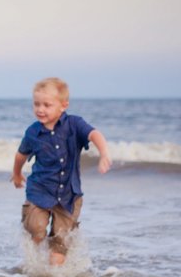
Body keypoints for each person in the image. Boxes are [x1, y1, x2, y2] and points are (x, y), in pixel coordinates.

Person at [11, 77, 112, 266]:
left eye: (47, 105)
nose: (40, 109)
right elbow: (20, 155)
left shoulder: (75, 124)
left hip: (69, 195)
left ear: (63, 105)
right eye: (36, 104)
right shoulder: (33, 132)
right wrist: (16, 174)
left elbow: (94, 134)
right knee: (37, 228)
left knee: (61, 239)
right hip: (39, 191)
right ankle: (33, 265)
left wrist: (104, 152)